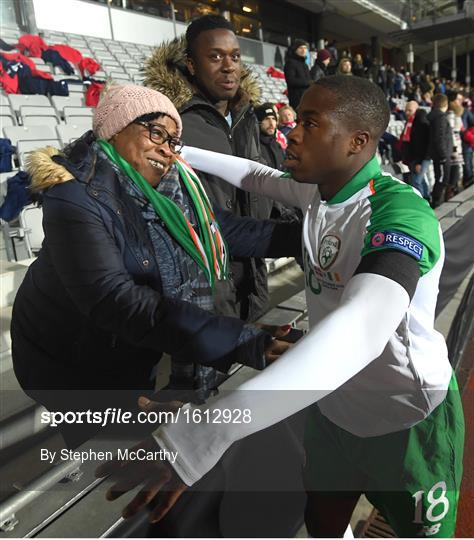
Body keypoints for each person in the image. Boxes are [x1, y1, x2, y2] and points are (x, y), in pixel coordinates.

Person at [97, 76, 464, 538]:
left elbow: (363, 329)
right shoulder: (321, 190)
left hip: (406, 414)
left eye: (310, 123)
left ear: (358, 141)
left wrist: (205, 432)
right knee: (322, 525)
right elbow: (255, 175)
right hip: (334, 411)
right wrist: (178, 153)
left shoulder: (401, 213)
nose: (292, 132)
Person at [10, 84, 298, 448]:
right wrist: (239, 339)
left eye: (173, 140)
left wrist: (305, 237)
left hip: (124, 346)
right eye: (155, 131)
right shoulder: (74, 196)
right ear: (116, 129)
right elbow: (115, 300)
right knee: (105, 451)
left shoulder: (170, 188)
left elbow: (220, 229)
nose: (166, 147)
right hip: (67, 358)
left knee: (142, 430)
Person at [144, 15, 275, 324]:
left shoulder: (248, 117)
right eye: (215, 57)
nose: (229, 66)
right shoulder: (171, 123)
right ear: (191, 64)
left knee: (253, 365)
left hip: (252, 275)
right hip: (203, 283)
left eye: (235, 57)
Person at [427, 93, 453, 207]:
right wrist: (443, 155)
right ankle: (435, 203)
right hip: (441, 155)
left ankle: (436, 201)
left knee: (440, 178)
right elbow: (439, 138)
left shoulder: (433, 115)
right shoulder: (440, 117)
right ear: (445, 104)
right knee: (442, 179)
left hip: (438, 154)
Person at [254, 102, 285, 170]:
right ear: (258, 122)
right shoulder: (253, 146)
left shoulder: (278, 146)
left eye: (273, 119)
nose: (271, 123)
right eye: (266, 119)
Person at [284, 38, 311, 109]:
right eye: (300, 48)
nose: (303, 50)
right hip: (297, 101)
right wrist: (308, 82)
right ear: (295, 49)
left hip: (307, 99)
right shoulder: (290, 63)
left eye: (305, 48)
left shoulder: (305, 64)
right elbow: (291, 81)